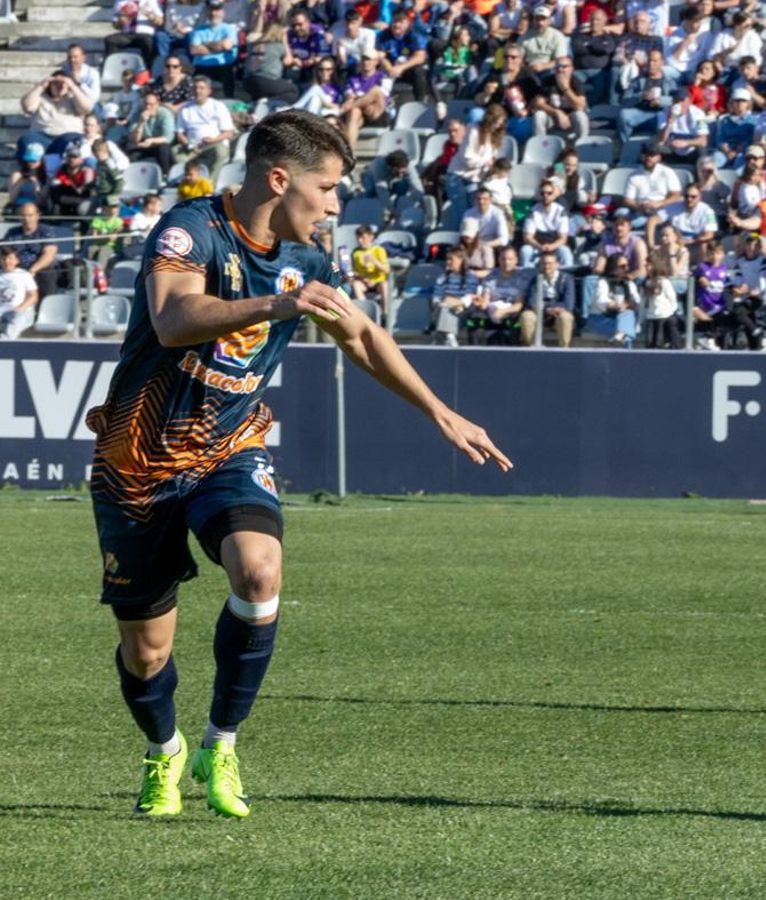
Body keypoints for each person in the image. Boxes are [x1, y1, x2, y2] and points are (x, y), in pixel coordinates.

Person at [85, 109, 510, 820]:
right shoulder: (190, 229)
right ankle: (164, 750)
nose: (337, 205)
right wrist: (278, 304)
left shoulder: (309, 261)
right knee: (147, 652)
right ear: (280, 180)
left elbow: (363, 336)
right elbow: (173, 319)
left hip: (229, 447)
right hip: (138, 464)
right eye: (329, 187)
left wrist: (441, 412)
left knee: (259, 570)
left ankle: (221, 744)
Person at [521, 250, 577, 347]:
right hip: (541, 316)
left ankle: (564, 349)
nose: (546, 266)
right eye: (543, 263)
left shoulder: (567, 279)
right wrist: (549, 309)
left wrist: (546, 307)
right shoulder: (535, 279)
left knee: (565, 317)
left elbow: (568, 304)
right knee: (527, 316)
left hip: (559, 315)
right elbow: (532, 303)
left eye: (550, 263)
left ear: (556, 265)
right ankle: (531, 348)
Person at [348, 224, 392, 319]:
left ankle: (385, 314)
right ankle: (366, 313)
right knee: (355, 284)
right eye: (358, 238)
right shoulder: (356, 252)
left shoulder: (379, 250)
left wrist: (374, 261)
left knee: (385, 285)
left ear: (371, 237)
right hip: (364, 282)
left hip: (378, 282)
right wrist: (363, 278)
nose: (360, 241)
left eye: (363, 238)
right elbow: (355, 271)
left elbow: (387, 270)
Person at [0, 245, 40, 339]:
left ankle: (5, 342)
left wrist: (21, 308)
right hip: (2, 310)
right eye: (3, 259)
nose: (7, 261)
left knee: (17, 319)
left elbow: (33, 296)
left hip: (20, 310)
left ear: (17, 260)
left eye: (10, 258)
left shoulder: (24, 275)